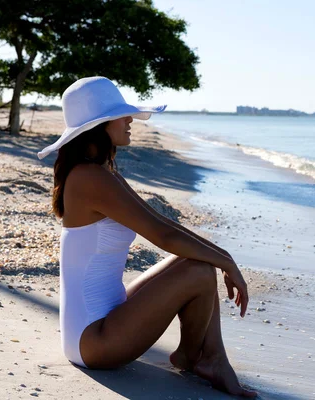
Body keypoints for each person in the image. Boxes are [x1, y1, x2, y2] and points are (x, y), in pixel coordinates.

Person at [38, 76, 257, 397]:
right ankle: (207, 359)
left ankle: (200, 356)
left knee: (196, 260)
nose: (129, 120)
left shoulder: (101, 172)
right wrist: (225, 261)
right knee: (199, 270)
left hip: (106, 320)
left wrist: (224, 257)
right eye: (120, 114)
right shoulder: (89, 178)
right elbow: (162, 234)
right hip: (94, 341)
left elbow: (163, 222)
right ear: (99, 125)